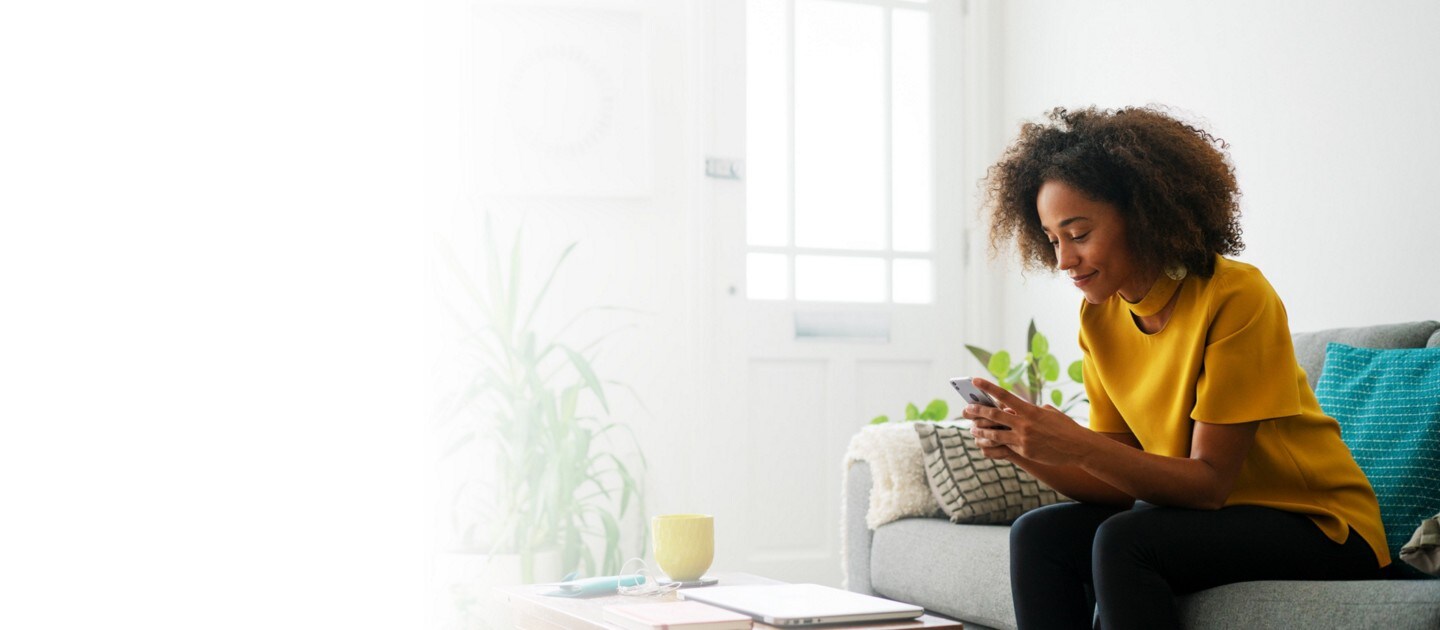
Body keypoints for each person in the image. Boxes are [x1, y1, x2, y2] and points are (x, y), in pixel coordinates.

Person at [965, 106, 1388, 629]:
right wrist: (1028, 448)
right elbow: (1120, 480)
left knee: (1126, 540)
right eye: (1053, 240)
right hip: (1210, 519)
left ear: (1140, 215)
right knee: (1039, 534)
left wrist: (1073, 442)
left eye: (1077, 234)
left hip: (1319, 524)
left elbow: (1208, 483)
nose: (1063, 261)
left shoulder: (1235, 295)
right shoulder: (1099, 316)